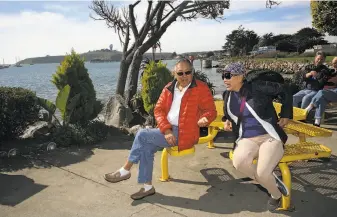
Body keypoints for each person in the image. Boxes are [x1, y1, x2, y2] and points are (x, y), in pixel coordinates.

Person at [103, 58, 217, 200]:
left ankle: (125, 169)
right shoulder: (169, 88)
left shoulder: (201, 88)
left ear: (192, 72)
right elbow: (158, 110)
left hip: (185, 133)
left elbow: (211, 111)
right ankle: (147, 187)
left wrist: (205, 118)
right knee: (146, 147)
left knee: (142, 134)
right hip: (168, 131)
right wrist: (167, 130)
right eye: (180, 73)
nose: (184, 76)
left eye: (188, 72)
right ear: (174, 73)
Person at [221, 63, 293, 211]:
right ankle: (270, 180)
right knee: (239, 163)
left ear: (240, 76)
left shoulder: (257, 87)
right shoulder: (227, 95)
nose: (224, 79)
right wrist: (227, 119)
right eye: (223, 76)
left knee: (262, 173)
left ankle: (275, 195)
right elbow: (230, 112)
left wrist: (286, 113)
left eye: (228, 76)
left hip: (269, 136)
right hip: (247, 138)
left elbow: (285, 90)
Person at [305, 57, 337, 126]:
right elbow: (322, 80)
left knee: (321, 93)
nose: (334, 64)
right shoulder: (330, 72)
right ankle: (317, 121)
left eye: (336, 63)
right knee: (321, 99)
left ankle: (309, 108)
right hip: (328, 92)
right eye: (333, 63)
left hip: (334, 92)